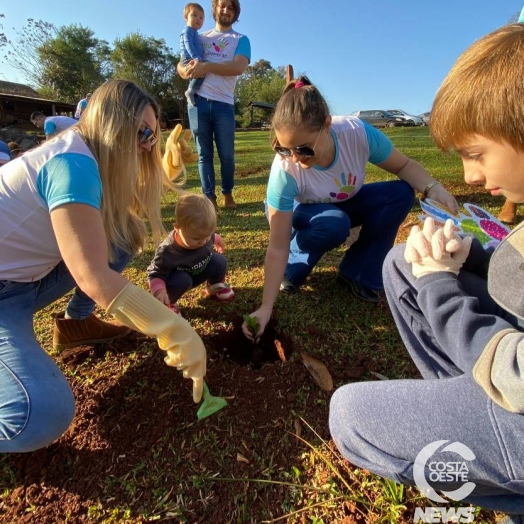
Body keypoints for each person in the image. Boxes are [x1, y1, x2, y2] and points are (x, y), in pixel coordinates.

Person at [329, 23, 524, 524]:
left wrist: (441, 283)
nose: (472, 177)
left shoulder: (354, 133)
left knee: (350, 419)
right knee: (401, 263)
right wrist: (470, 256)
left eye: (476, 154)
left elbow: (518, 373)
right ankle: (470, 410)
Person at [0, 79, 207, 453]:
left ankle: (78, 324)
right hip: (5, 291)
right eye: (143, 133)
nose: (148, 145)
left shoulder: (91, 155)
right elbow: (91, 274)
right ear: (113, 124)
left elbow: (135, 198)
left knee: (123, 233)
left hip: (24, 279)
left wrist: (167, 160)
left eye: (153, 137)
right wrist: (172, 329)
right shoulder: (71, 164)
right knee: (38, 413)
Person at [242, 75, 458, 341]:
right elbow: (277, 245)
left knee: (400, 193)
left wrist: (432, 187)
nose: (296, 159)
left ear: (327, 124)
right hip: (302, 214)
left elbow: (403, 166)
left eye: (303, 149)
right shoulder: (285, 170)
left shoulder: (356, 134)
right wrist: (266, 307)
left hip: (342, 203)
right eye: (284, 149)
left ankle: (360, 272)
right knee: (333, 224)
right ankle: (296, 261)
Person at [177, 0, 251, 210]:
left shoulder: (241, 39)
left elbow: (238, 67)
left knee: (227, 155)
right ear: (215, 9)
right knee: (204, 155)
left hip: (224, 105)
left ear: (235, 13)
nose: (226, 10)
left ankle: (227, 193)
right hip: (198, 103)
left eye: (230, 7)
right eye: (222, 6)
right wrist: (185, 71)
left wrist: (206, 67)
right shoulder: (200, 36)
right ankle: (209, 198)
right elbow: (181, 65)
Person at [147, 192, 235, 313]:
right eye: (196, 239)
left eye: (207, 236)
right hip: (179, 281)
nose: (203, 242)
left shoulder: (204, 236)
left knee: (220, 261)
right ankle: (168, 304)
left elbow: (213, 237)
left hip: (198, 271)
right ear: (177, 228)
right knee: (182, 280)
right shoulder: (168, 251)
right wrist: (159, 291)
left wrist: (217, 240)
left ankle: (215, 286)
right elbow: (155, 274)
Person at [180, 3, 206, 107]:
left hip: (192, 57)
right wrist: (196, 57)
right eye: (194, 15)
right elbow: (188, 44)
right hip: (189, 57)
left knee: (198, 74)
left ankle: (192, 91)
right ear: (186, 17)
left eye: (201, 17)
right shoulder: (187, 30)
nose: (198, 19)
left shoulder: (195, 33)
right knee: (201, 73)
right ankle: (191, 91)